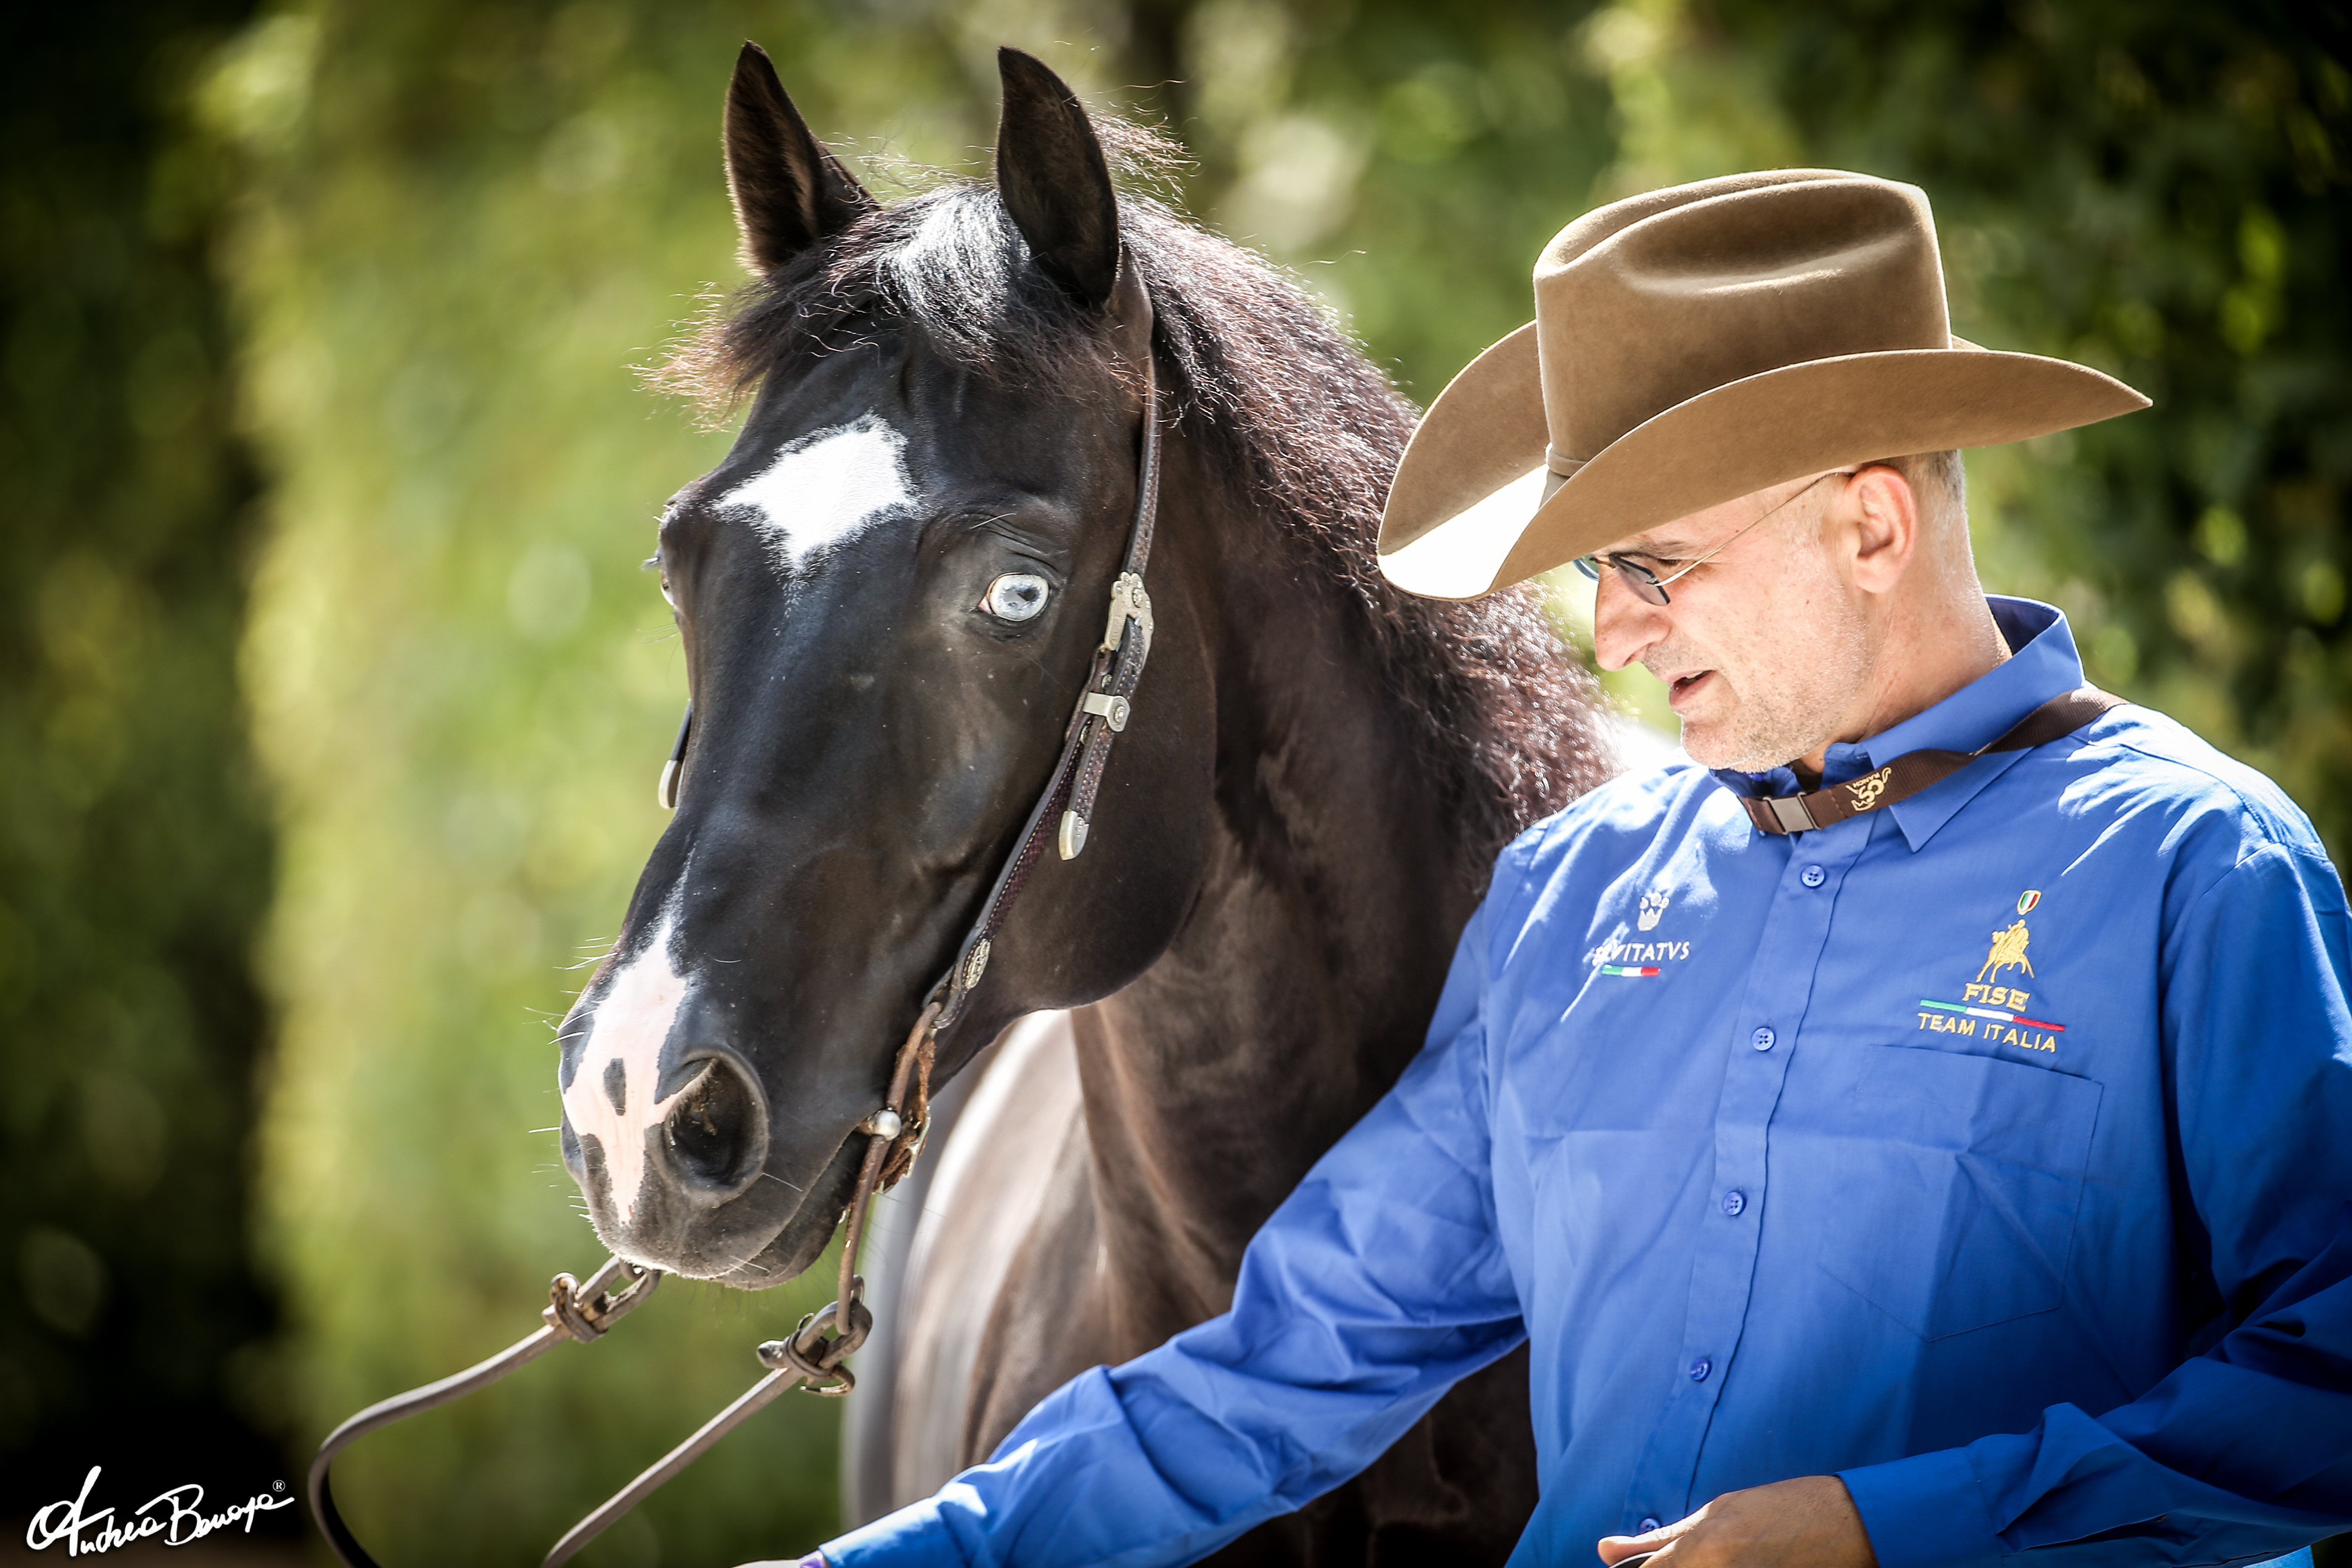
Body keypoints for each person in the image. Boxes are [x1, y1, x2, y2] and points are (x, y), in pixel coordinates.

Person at [789, 171, 2352, 1568]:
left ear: (1872, 526)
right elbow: (1288, 1363)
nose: (1609, 634)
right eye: (1599, 575)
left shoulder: (2194, 875)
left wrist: (1893, 1532)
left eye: (1654, 564)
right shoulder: (1572, 902)